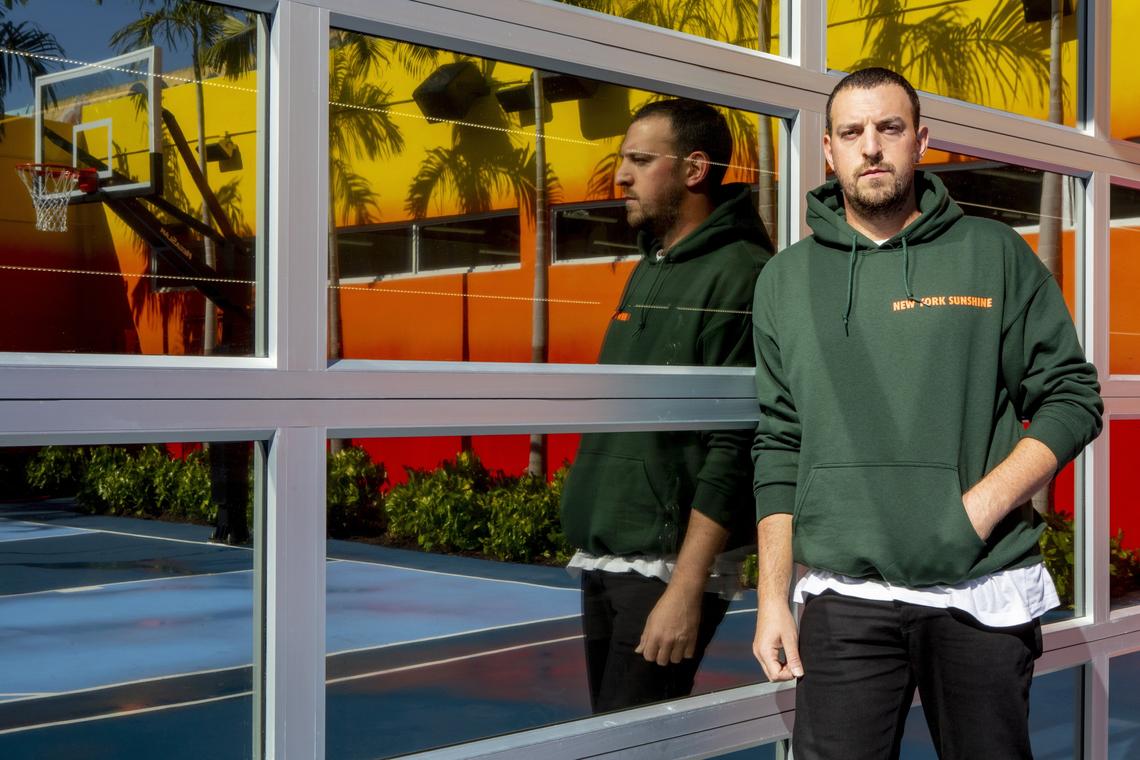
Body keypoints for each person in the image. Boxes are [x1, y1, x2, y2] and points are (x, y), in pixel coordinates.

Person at [750, 67, 1102, 759]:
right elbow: (779, 443)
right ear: (828, 150)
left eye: (890, 128)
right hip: (844, 595)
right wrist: (771, 600)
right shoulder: (784, 280)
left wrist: (975, 509)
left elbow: (1071, 397)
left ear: (921, 141)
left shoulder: (992, 253)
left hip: (979, 590)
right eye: (852, 132)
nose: (871, 146)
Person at [559, 98, 774, 713]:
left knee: (632, 741)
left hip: (667, 568)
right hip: (610, 553)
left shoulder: (743, 274)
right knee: (610, 734)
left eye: (640, 160)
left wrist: (686, 587)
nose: (620, 176)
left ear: (695, 169)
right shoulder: (649, 265)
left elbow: (735, 445)